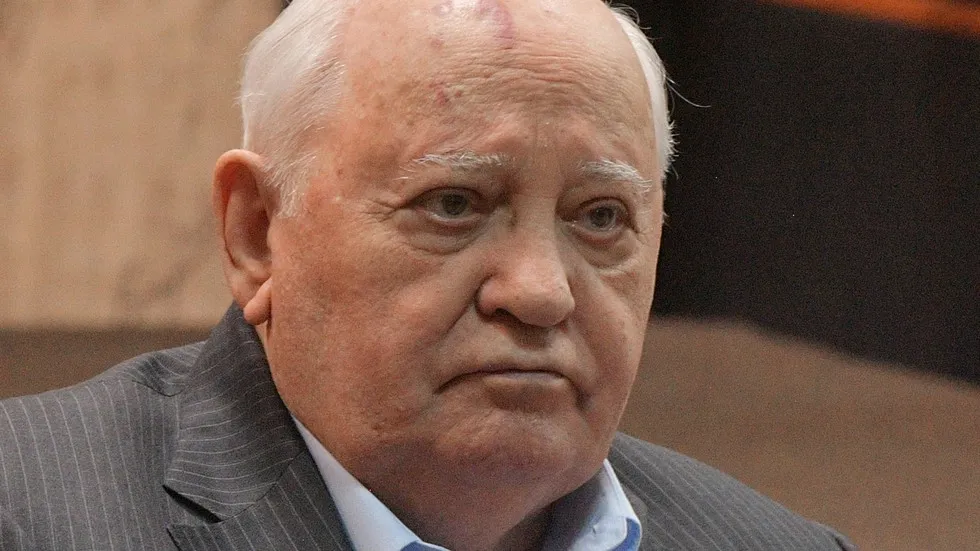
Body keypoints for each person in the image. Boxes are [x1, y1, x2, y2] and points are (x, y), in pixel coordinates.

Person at [0, 0, 856, 549]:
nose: (540, 291)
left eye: (601, 217)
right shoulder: (30, 512)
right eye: (453, 203)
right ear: (258, 232)